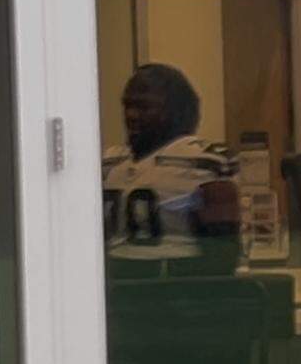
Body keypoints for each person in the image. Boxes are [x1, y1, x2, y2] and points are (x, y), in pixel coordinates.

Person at [101, 63, 240, 277]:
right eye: (128, 105)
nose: (132, 115)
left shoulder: (205, 160)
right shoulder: (110, 161)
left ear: (176, 111)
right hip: (115, 282)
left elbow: (223, 252)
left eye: (144, 107)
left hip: (178, 282)